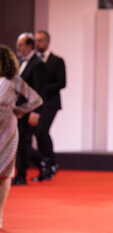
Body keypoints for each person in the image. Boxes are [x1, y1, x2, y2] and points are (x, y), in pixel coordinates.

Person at [0, 45, 42, 228]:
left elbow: (36, 99)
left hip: (6, 129)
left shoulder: (14, 81)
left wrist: (18, 110)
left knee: (4, 172)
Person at [12, 33, 48, 185]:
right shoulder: (21, 62)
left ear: (29, 46)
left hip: (29, 109)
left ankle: (21, 175)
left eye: (21, 45)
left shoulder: (37, 64)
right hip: (18, 109)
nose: (18, 48)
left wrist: (36, 112)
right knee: (19, 141)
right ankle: (44, 162)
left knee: (23, 142)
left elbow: (40, 90)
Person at [31, 30, 66, 181]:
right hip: (35, 104)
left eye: (40, 40)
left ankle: (50, 162)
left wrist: (42, 89)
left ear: (47, 42)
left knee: (41, 131)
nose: (37, 43)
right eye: (36, 41)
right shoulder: (33, 62)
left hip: (51, 103)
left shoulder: (57, 61)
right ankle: (47, 166)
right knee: (38, 134)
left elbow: (62, 82)